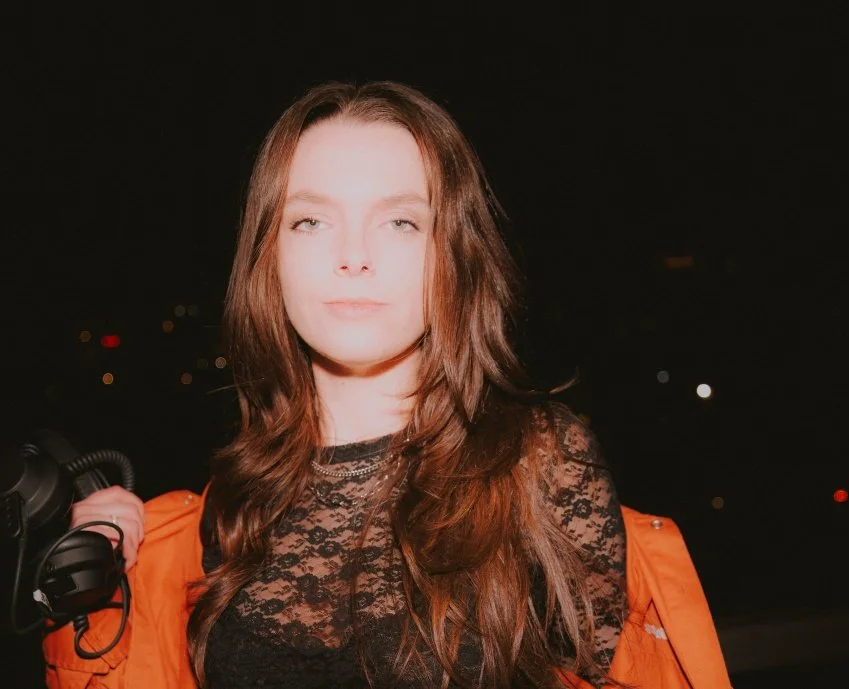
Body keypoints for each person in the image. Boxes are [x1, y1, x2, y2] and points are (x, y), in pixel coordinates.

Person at [45, 81, 731, 688]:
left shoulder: (541, 460)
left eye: (400, 221)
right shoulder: (238, 492)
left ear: (452, 254)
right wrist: (109, 569)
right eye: (311, 220)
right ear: (269, 256)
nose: (353, 256)